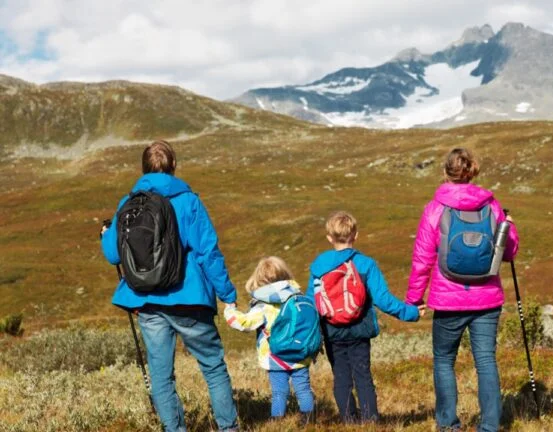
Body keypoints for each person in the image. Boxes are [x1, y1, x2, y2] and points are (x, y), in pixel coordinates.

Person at [101, 140, 239, 432]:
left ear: (143, 169)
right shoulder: (189, 201)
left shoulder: (128, 203)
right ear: (174, 166)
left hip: (147, 301)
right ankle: (228, 428)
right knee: (213, 368)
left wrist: (106, 234)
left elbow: (113, 254)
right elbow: (208, 252)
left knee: (162, 376)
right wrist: (228, 295)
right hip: (189, 299)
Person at [406, 148, 519, 432]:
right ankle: (490, 426)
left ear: (446, 172)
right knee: (485, 360)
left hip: (447, 300)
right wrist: (510, 229)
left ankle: (448, 425)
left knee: (444, 360)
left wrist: (413, 300)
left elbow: (422, 259)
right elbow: (509, 251)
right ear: (473, 171)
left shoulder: (434, 208)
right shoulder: (491, 205)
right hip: (487, 298)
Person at [306, 211, 425, 423]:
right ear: (356, 235)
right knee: (363, 376)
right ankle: (370, 420)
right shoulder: (366, 264)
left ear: (329, 238)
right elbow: (383, 300)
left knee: (341, 377)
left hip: (332, 331)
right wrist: (412, 312)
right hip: (360, 329)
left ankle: (348, 420)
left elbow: (312, 303)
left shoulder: (319, 266)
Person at [222, 257, 315, 424]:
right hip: (301, 353)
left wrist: (230, 310)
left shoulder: (263, 306)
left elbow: (244, 323)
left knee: (279, 391)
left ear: (259, 281)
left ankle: (277, 421)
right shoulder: (297, 297)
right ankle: (308, 420)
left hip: (275, 357)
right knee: (303, 388)